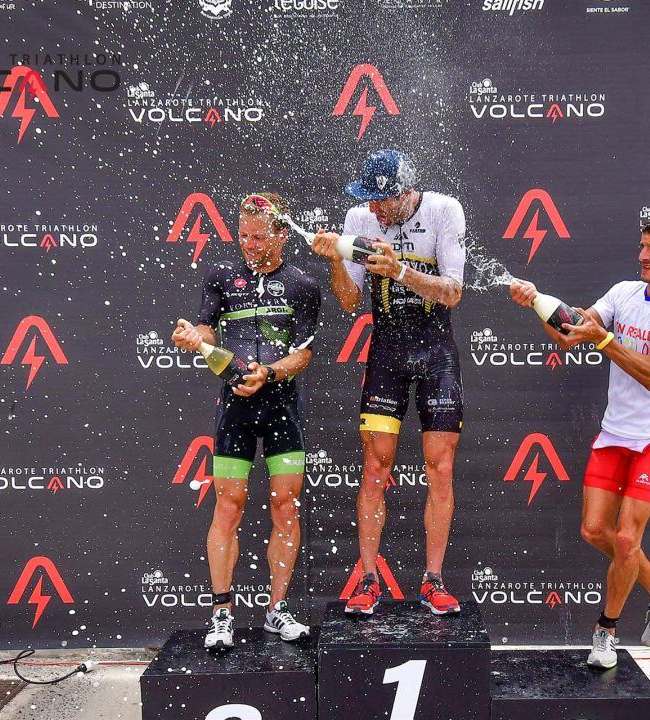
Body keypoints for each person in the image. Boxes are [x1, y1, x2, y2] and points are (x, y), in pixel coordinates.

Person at [509, 210, 650, 669]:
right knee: (594, 531)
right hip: (614, 432)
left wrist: (604, 340)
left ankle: (606, 632)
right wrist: (538, 302)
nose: (644, 256)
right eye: (642, 246)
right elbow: (569, 333)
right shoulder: (623, 293)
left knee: (625, 537)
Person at [310, 149, 467, 616]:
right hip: (387, 355)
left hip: (437, 352)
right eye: (370, 202)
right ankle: (369, 579)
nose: (373, 210)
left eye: (381, 201)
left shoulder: (444, 210)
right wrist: (337, 259)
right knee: (375, 468)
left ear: (403, 194)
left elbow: (453, 292)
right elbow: (347, 299)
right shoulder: (360, 216)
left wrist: (399, 269)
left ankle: (433, 580)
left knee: (440, 467)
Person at [172, 192, 321, 649]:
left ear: (281, 234)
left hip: (282, 408)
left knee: (285, 509)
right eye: (242, 236)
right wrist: (194, 336)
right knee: (228, 507)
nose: (249, 245)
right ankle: (222, 613)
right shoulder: (220, 275)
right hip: (235, 409)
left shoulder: (303, 285)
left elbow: (304, 354)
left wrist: (270, 373)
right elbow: (209, 328)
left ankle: (277, 611)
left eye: (259, 237)